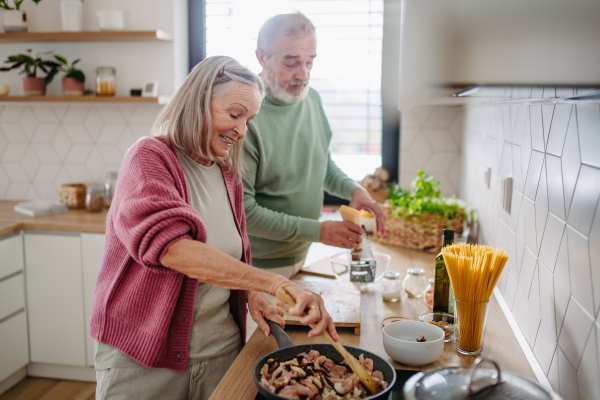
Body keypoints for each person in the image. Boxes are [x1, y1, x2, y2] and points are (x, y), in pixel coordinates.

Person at [90, 56, 338, 400]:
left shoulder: (228, 176)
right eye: (235, 114)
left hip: (220, 354)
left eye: (249, 120)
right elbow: (174, 249)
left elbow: (228, 254)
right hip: (144, 361)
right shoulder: (149, 158)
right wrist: (272, 282)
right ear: (196, 102)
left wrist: (253, 293)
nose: (242, 130)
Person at [243, 12, 386, 278]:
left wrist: (354, 190)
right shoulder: (244, 115)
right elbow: (245, 212)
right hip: (256, 267)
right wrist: (320, 231)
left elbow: (321, 163)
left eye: (310, 62)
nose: (303, 74)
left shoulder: (312, 100)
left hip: (302, 256)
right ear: (261, 57)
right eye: (292, 62)